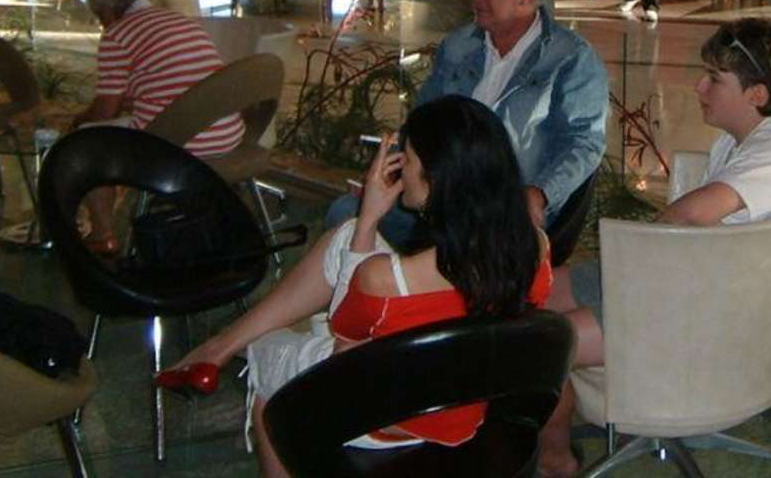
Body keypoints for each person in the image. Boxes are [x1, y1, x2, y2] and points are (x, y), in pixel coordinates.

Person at [159, 96, 553, 475]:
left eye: (407, 158)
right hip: (467, 400)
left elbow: (343, 359)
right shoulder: (534, 247)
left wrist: (369, 217)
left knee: (268, 351)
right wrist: (359, 229)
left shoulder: (386, 278)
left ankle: (224, 353)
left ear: (434, 178)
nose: (401, 170)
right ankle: (218, 348)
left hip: (388, 419)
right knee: (345, 236)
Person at [535, 17, 771, 478]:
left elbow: (688, 216)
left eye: (714, 78)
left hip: (700, 318)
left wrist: (630, 268)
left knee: (537, 344)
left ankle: (555, 460)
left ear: (756, 94)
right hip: (688, 285)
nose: (698, 87)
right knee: (534, 292)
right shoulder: (744, 141)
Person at [324, 0, 608, 246]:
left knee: (453, 243)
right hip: (436, 198)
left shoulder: (570, 59)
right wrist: (388, 174)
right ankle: (391, 276)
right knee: (346, 214)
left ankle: (406, 273)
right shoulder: (459, 46)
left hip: (503, 209)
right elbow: (421, 124)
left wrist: (540, 194)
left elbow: (584, 144)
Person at [70, 0, 244, 254]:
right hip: (228, 135)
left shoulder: (117, 35)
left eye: (100, 18)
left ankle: (103, 235)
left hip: (180, 144)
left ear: (108, 11)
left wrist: (78, 121)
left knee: (86, 143)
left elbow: (105, 110)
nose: (102, 25)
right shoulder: (182, 21)